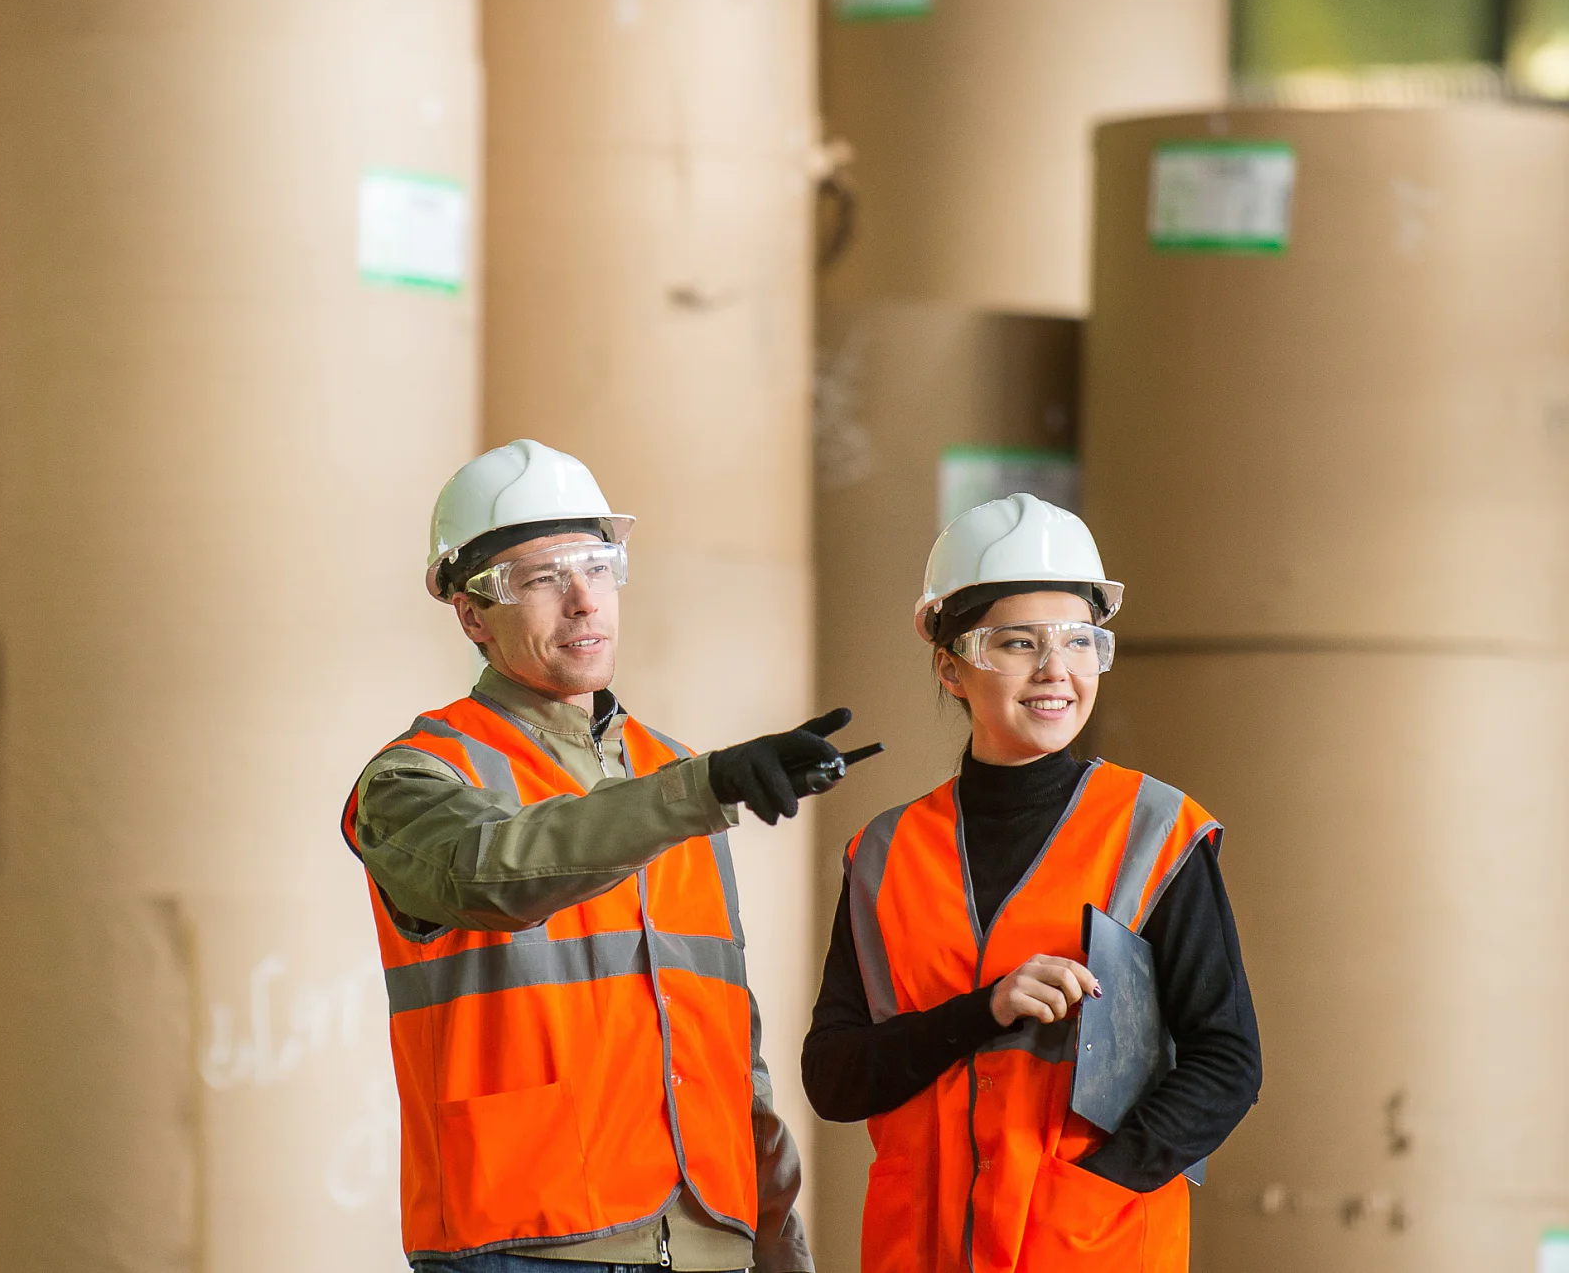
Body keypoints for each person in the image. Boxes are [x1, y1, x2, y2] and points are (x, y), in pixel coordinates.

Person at [344, 439, 857, 1273]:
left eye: (596, 565)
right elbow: (489, 873)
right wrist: (703, 788)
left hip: (709, 1242)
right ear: (472, 614)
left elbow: (728, 1038)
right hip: (528, 1240)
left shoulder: (677, 770)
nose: (583, 601)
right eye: (542, 578)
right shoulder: (417, 775)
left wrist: (777, 1235)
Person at [801, 493, 1261, 1272]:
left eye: (1080, 641)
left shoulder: (1156, 832)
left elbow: (1227, 1060)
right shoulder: (885, 853)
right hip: (921, 1250)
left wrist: (1091, 1189)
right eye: (1019, 643)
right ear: (952, 666)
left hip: (1091, 1247)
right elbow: (836, 1078)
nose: (1056, 670)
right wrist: (983, 1010)